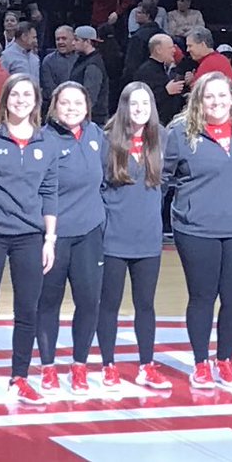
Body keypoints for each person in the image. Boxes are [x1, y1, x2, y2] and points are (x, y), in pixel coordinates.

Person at [0, 74, 60, 406]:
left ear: (36, 101)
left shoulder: (47, 143)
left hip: (30, 236)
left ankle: (20, 377)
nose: (21, 100)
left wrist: (50, 239)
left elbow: (50, 192)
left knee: (27, 310)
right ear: (5, 100)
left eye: (27, 95)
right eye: (15, 95)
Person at [163, 72, 232, 388]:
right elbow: (161, 177)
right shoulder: (179, 133)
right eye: (209, 96)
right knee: (203, 296)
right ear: (198, 100)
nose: (216, 102)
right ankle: (201, 362)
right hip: (196, 229)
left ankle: (225, 360)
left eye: (222, 95)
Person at [98, 82, 172, 389]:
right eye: (133, 103)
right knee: (110, 304)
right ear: (124, 105)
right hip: (113, 236)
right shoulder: (106, 140)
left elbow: (165, 182)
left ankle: (146, 365)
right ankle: (108, 365)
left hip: (148, 237)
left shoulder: (163, 138)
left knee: (146, 304)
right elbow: (98, 186)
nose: (140, 108)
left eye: (146, 103)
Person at [35, 82, 105, 394]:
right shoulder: (43, 139)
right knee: (48, 301)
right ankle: (48, 367)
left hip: (89, 233)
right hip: (54, 235)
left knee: (89, 302)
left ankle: (79, 366)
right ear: (55, 106)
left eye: (78, 102)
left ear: (87, 105)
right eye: (65, 102)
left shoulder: (95, 135)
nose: (72, 107)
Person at [133, 34, 184, 125]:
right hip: (155, 125)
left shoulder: (165, 68)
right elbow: (144, 99)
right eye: (170, 47)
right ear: (158, 50)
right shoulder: (146, 71)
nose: (174, 50)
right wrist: (166, 91)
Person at [69, 26, 111, 122]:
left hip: (91, 120)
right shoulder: (84, 60)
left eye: (76, 40)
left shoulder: (93, 65)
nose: (73, 43)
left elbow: (90, 97)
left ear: (88, 42)